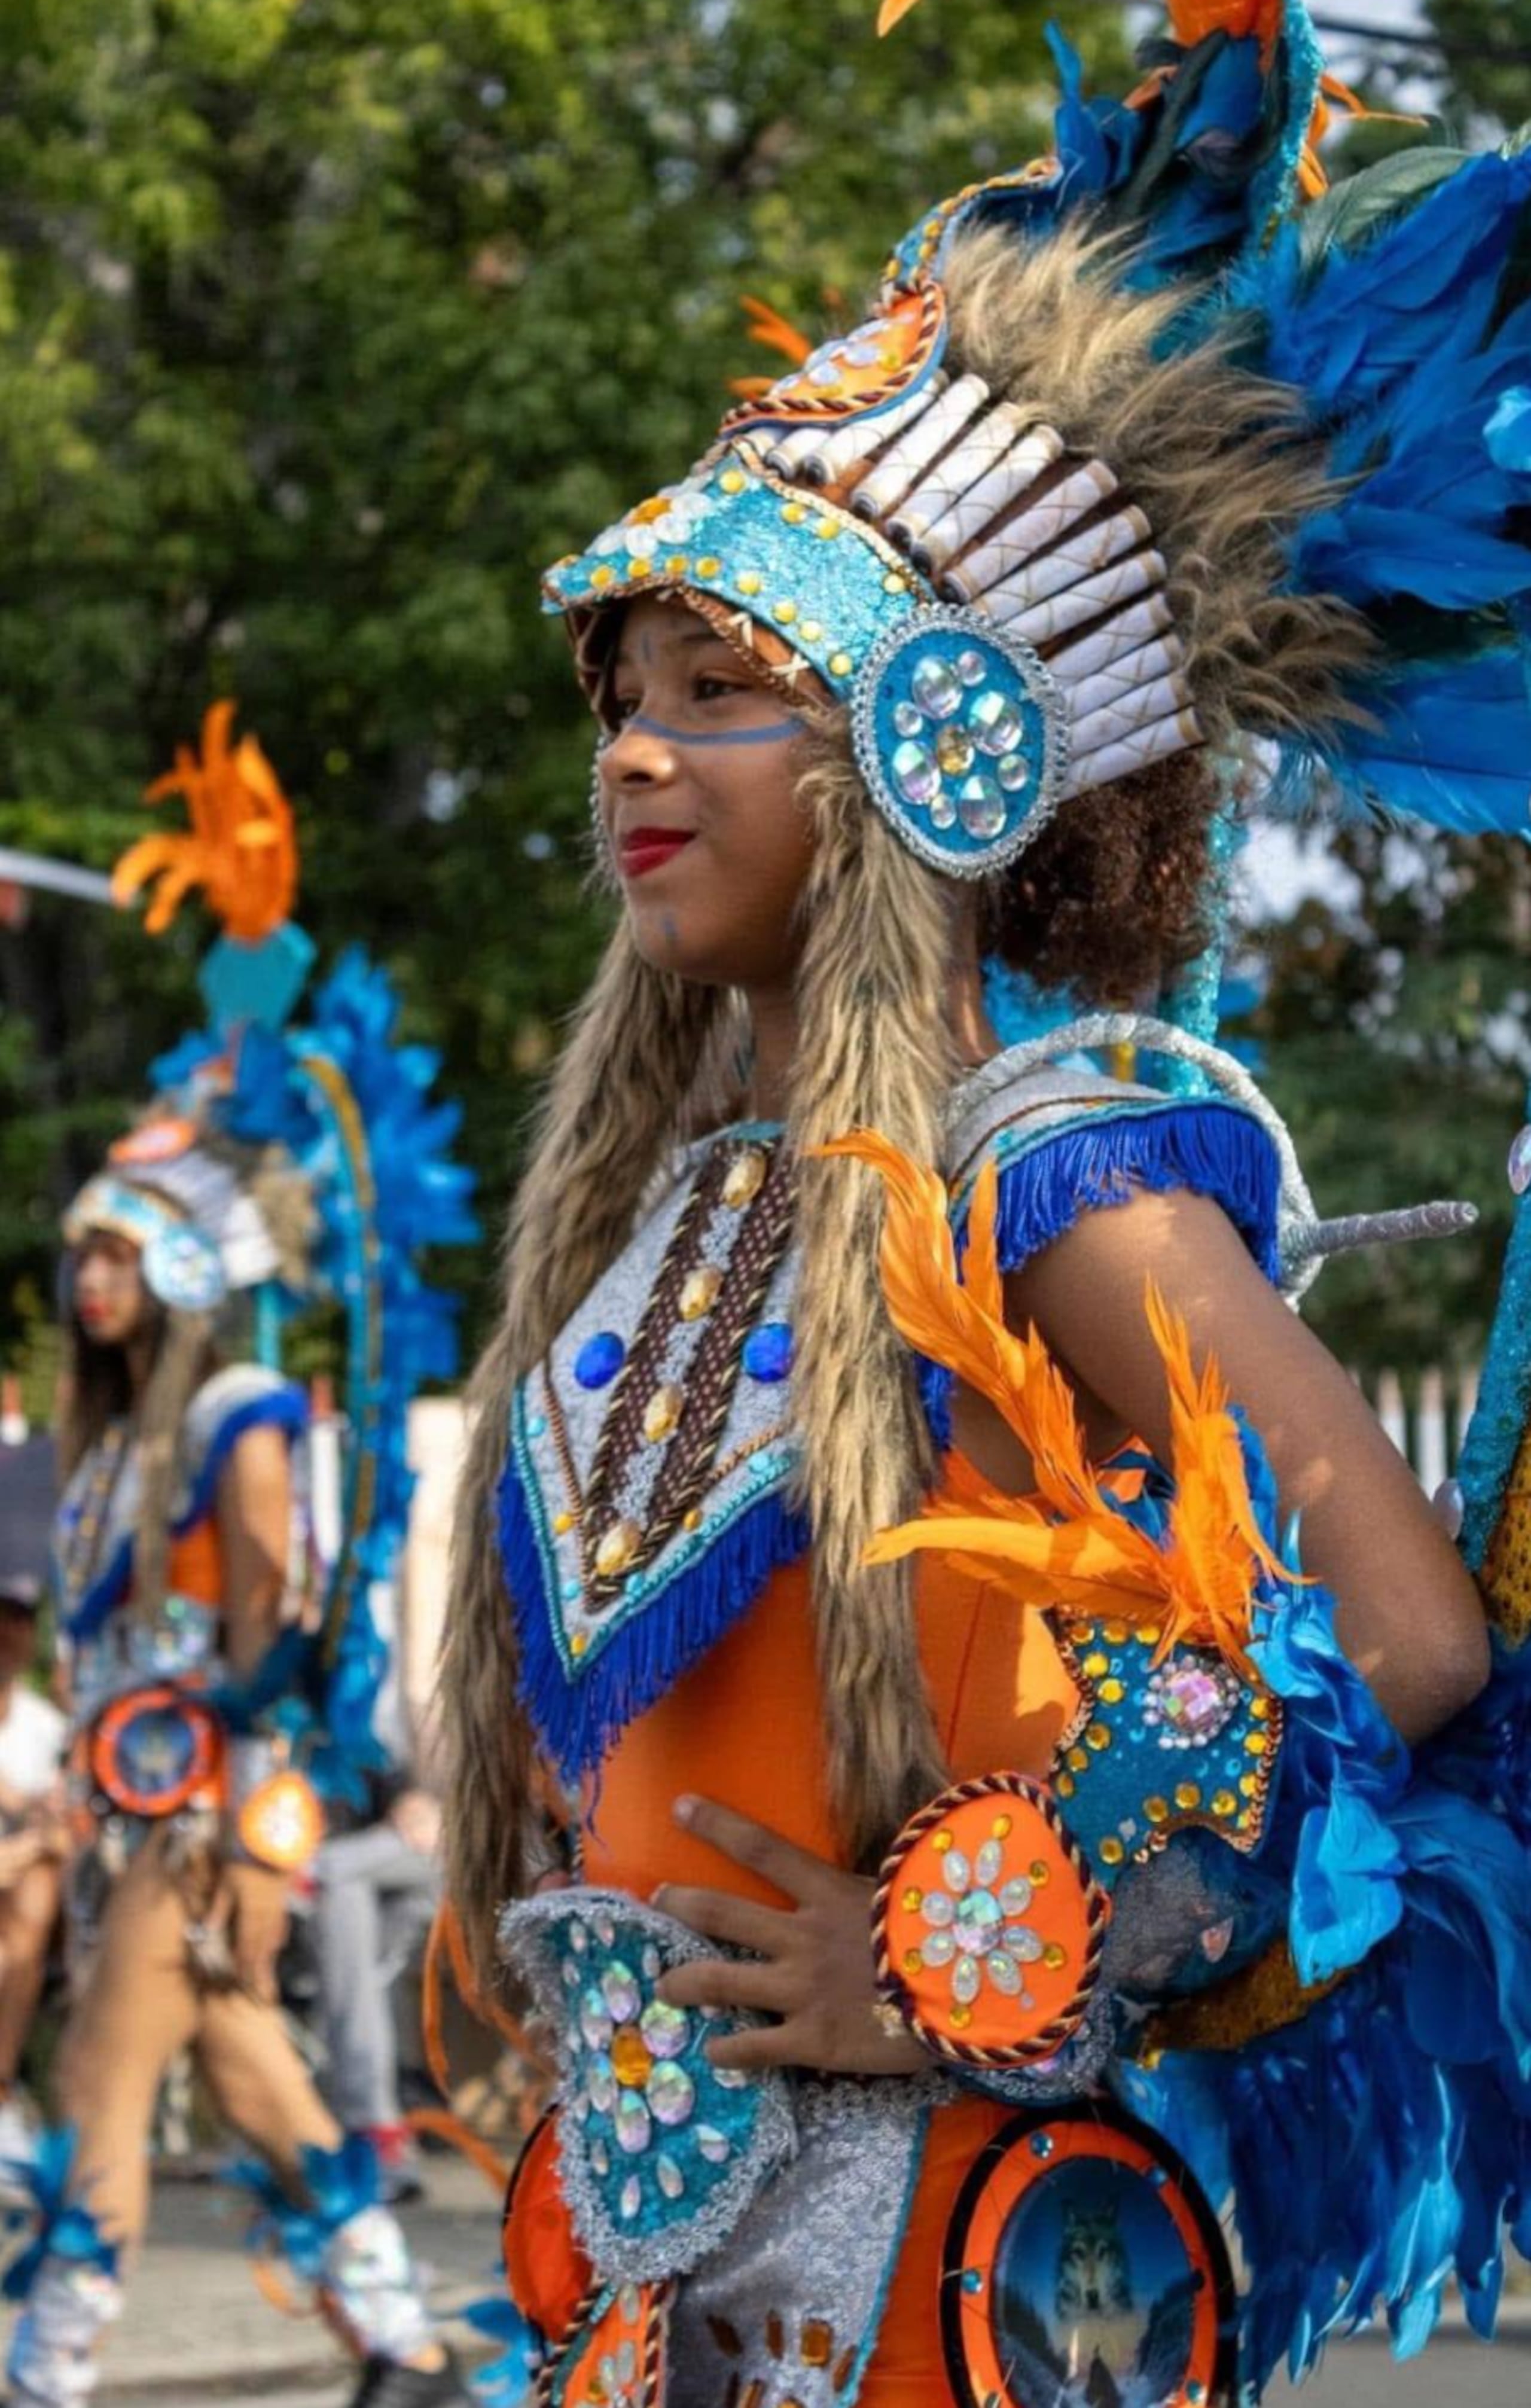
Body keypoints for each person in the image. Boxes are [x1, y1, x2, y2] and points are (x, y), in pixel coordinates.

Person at [441, 5, 1531, 2403]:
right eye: (618, 679)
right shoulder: (659, 1211)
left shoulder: (1048, 1170)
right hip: (644, 2274)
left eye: (722, 683)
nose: (631, 737)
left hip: (949, 2254)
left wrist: (984, 1937)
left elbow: (1404, 1636)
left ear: (932, 735)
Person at [5, 709, 477, 2408]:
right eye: (83, 1255)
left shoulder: (245, 1409)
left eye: (125, 1251)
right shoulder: (103, 1447)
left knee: (101, 2076)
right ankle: (407, 2340)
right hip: (142, 1786)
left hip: (220, 1788)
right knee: (249, 2060)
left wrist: (230, 1728)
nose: (97, 1278)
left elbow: (273, 1602)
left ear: (188, 1266)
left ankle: (44, 2366)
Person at [312, 1769, 444, 2202]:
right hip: (370, 1866)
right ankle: (375, 2130)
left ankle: (367, 2126)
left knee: (331, 1874)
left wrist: (424, 1796)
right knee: (346, 1906)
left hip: (446, 1842)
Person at [0, 1488, 68, 2147]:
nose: (8, 1634)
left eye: (17, 1620)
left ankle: (2, 2088)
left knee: (39, 1888)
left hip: (24, 1893)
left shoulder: (46, 1725)